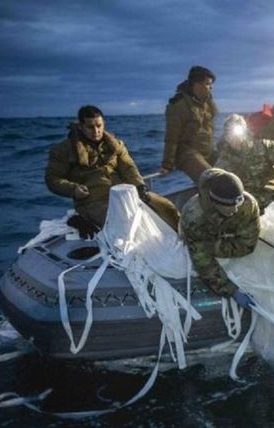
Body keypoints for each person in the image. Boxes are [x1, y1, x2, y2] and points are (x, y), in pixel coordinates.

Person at [45, 105, 180, 235]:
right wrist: (73, 189)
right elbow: (52, 179)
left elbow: (128, 168)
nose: (96, 131)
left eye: (99, 126)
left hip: (124, 193)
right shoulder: (63, 150)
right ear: (80, 127)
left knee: (167, 207)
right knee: (124, 223)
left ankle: (185, 239)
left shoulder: (115, 145)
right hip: (92, 201)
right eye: (90, 127)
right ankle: (80, 219)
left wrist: (140, 187)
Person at [180, 168, 259, 305]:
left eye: (238, 203)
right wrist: (231, 290)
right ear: (215, 202)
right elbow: (203, 262)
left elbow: (248, 245)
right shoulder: (193, 217)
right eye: (228, 205)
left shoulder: (248, 205)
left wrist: (218, 245)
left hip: (220, 236)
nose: (235, 209)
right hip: (200, 236)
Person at [160, 65, 218, 182]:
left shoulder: (207, 103)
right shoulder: (179, 106)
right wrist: (167, 165)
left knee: (233, 168)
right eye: (208, 84)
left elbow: (213, 117)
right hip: (187, 153)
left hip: (207, 151)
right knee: (211, 179)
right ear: (197, 85)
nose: (210, 88)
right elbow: (172, 137)